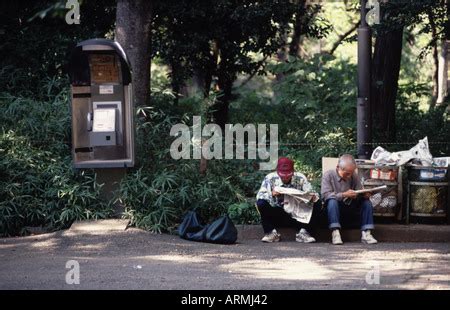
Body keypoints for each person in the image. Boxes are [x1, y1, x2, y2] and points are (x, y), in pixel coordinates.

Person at [256, 157, 320, 243]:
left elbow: (314, 193)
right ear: (277, 172)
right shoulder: (270, 178)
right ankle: (271, 233)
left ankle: (305, 232)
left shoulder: (300, 178)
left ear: (293, 172)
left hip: (298, 214)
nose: (285, 178)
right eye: (283, 175)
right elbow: (260, 195)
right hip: (278, 213)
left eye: (288, 175)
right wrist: (272, 194)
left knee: (317, 202)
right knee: (261, 203)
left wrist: (311, 197)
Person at [321, 154, 378, 245]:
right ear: (338, 167)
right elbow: (325, 195)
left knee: (366, 202)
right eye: (347, 173)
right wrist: (343, 195)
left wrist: (364, 194)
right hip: (335, 211)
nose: (349, 176)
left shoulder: (353, 176)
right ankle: (335, 233)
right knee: (332, 201)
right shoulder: (328, 175)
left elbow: (359, 191)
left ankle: (367, 233)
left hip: (350, 208)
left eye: (351, 173)